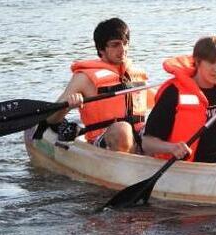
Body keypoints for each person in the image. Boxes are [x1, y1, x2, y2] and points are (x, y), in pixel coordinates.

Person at [47, 18, 153, 152]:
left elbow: (161, 102)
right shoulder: (84, 78)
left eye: (125, 43)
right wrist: (69, 105)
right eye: (115, 45)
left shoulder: (136, 74)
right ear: (101, 49)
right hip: (103, 140)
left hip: (138, 136)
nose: (123, 49)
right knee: (122, 129)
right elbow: (51, 118)